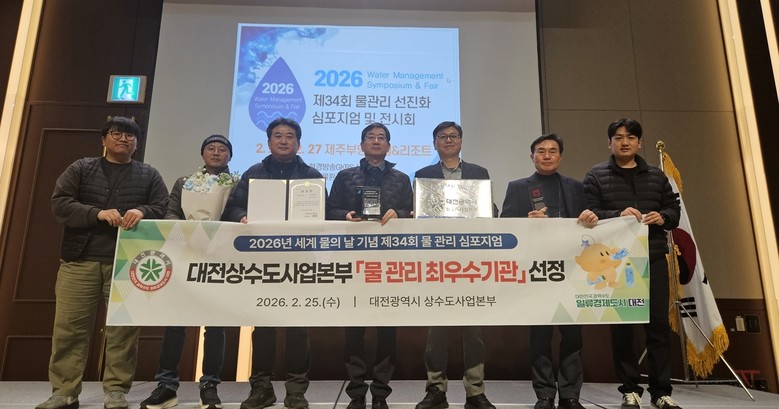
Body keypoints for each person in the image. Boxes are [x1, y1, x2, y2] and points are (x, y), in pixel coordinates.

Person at [37, 116, 169, 409]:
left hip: (128, 264)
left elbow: (163, 207)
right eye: (116, 133)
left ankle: (116, 391)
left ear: (137, 143)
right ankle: (64, 391)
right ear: (104, 139)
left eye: (130, 135)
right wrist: (96, 213)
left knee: (123, 332)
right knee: (70, 329)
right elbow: (61, 203)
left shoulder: (149, 174)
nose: (123, 139)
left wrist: (143, 211)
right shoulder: (81, 168)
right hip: (79, 261)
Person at [223, 118, 323, 409]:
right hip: (263, 260)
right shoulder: (254, 173)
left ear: (298, 143)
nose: (283, 140)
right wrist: (242, 216)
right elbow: (233, 207)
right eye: (277, 135)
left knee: (298, 328)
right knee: (263, 326)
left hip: (300, 260)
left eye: (289, 136)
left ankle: (296, 391)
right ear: (268, 142)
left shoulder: (312, 175)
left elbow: (324, 213)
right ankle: (261, 388)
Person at [583, 118, 681, 409]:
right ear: (609, 143)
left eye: (630, 137)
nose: (624, 142)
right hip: (616, 263)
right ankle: (629, 389)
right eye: (618, 137)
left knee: (658, 326)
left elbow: (673, 209)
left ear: (639, 142)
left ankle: (661, 392)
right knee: (623, 327)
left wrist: (663, 217)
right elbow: (589, 212)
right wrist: (617, 215)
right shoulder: (596, 175)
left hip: (653, 257)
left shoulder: (656, 176)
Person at [500, 133, 597, 409]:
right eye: (540, 151)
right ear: (532, 156)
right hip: (537, 268)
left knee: (572, 335)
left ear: (561, 157)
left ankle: (570, 394)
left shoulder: (575, 187)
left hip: (572, 268)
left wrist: (591, 217)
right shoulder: (518, 187)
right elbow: (504, 223)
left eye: (552, 151)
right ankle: (544, 394)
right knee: (540, 334)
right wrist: (525, 220)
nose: (546, 155)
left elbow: (591, 220)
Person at [140, 134, 234, 409]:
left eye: (222, 149)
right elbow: (171, 213)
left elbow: (238, 213)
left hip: (220, 261)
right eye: (211, 148)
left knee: (215, 326)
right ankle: (166, 385)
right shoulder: (185, 182)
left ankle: (209, 385)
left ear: (230, 155)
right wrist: (189, 231)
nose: (216, 153)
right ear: (202, 154)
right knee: (175, 324)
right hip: (185, 258)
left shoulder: (237, 184)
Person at [326, 122, 413, 409]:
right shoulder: (344, 176)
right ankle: (355, 393)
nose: (376, 141)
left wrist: (399, 213)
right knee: (354, 328)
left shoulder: (402, 179)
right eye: (370, 137)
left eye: (381, 138)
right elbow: (329, 210)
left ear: (389, 146)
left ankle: (380, 393)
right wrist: (346, 216)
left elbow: (413, 212)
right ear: (362, 145)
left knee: (387, 328)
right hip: (352, 260)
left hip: (390, 262)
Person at [413, 121, 496, 409]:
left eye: (453, 136)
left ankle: (475, 391)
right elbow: (418, 216)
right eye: (442, 137)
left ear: (461, 141)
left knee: (473, 329)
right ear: (435, 143)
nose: (448, 140)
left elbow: (491, 211)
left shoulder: (479, 173)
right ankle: (436, 389)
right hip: (436, 260)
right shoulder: (423, 175)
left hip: (471, 260)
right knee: (436, 330)